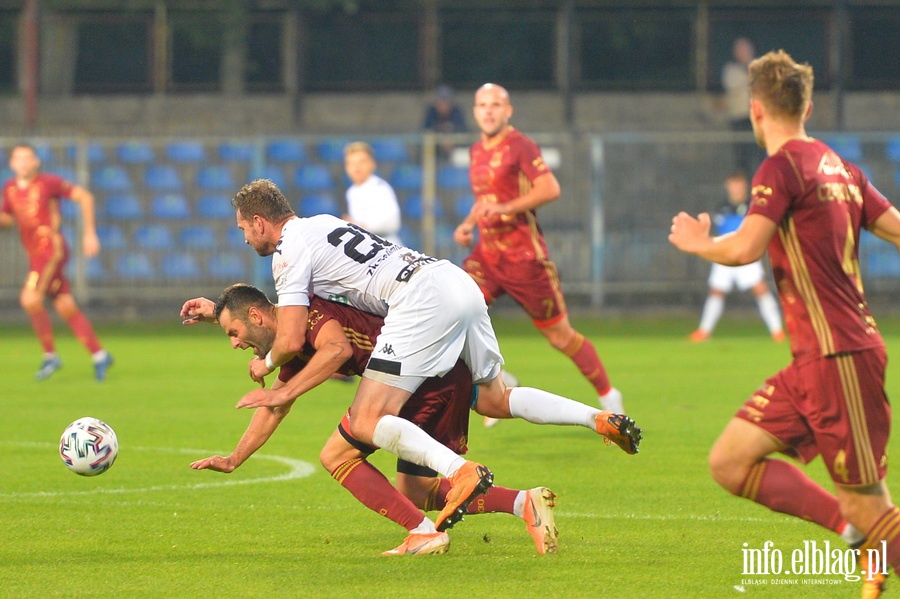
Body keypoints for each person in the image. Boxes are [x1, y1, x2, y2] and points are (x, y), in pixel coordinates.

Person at [225, 179, 641, 533]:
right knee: (495, 398)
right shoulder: (324, 223)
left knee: (367, 421)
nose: (245, 237)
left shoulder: (288, 252)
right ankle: (597, 418)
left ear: (260, 222)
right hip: (452, 279)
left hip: (417, 301)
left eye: (244, 228)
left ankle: (459, 473)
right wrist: (217, 310)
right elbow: (259, 313)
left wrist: (265, 366)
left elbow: (292, 335)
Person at [669, 49, 900, 597]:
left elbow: (748, 247)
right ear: (809, 106)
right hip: (816, 359)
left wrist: (700, 244)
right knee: (730, 461)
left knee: (867, 500)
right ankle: (860, 539)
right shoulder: (841, 166)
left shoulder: (782, 166)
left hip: (838, 356)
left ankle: (872, 537)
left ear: (754, 111)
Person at [182, 283, 563, 555]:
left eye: (234, 333)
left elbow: (335, 351)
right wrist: (234, 459)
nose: (235, 343)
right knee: (418, 491)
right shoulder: (291, 340)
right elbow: (275, 409)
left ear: (256, 316)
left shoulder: (310, 314)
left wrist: (280, 390)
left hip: (420, 378)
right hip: (428, 379)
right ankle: (523, 504)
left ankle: (424, 532)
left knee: (337, 455)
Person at [453, 83, 625, 416]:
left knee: (561, 337)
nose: (488, 110)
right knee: (452, 310)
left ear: (508, 110)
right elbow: (484, 200)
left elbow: (550, 187)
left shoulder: (520, 146)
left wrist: (505, 208)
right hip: (487, 257)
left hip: (523, 260)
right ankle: (499, 379)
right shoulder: (477, 151)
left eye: (496, 104)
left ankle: (608, 395)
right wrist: (469, 224)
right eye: (482, 105)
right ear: (475, 111)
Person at [0, 143, 113, 381]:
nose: (23, 163)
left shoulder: (48, 183)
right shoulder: (10, 188)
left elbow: (85, 196)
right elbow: (8, 219)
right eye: (18, 159)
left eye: (27, 158)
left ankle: (50, 355)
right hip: (34, 254)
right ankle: (99, 355)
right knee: (65, 305)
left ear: (36, 162)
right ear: (11, 164)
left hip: (51, 251)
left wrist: (89, 233)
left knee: (29, 299)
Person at [689, 171, 784, 342]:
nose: (736, 189)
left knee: (760, 290)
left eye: (739, 185)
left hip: (744, 253)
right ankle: (704, 331)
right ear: (728, 186)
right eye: (733, 185)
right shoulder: (721, 208)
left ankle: (777, 331)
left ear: (745, 186)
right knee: (716, 292)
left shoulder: (752, 206)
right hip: (724, 254)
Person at [343, 141, 403, 245]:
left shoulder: (380, 188)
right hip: (368, 247)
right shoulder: (351, 192)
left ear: (372, 164)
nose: (356, 167)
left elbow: (393, 222)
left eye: (362, 162)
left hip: (386, 246)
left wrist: (360, 227)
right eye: (351, 163)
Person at [722, 37, 763, 176]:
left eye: (745, 49)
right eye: (739, 50)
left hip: (758, 119)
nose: (743, 52)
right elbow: (736, 84)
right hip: (739, 118)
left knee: (759, 156)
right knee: (741, 157)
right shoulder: (730, 70)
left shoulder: (760, 67)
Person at [422, 84, 467, 158]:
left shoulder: (456, 112)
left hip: (454, 151)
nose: (443, 105)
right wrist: (440, 141)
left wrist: (453, 141)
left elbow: (464, 132)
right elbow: (425, 131)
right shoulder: (431, 112)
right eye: (441, 101)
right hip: (435, 153)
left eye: (446, 102)